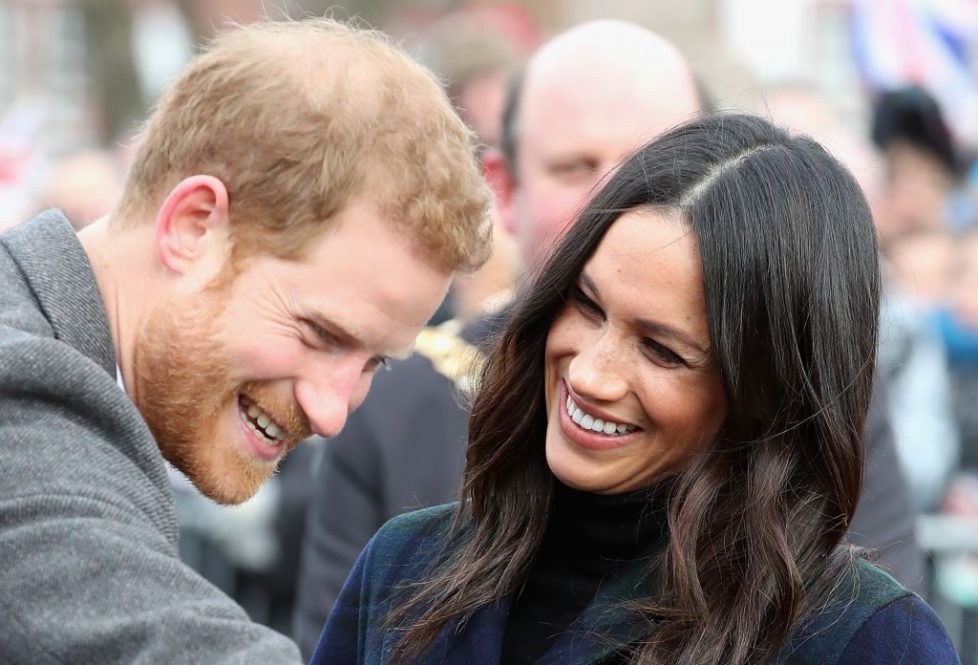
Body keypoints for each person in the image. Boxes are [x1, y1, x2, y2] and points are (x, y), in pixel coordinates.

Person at [294, 21, 924, 656]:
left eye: (662, 351)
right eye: (587, 305)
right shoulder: (407, 565)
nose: (591, 374)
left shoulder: (860, 636)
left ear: (760, 393)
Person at [0, 18, 490, 664]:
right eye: (320, 333)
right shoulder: (20, 378)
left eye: (374, 361)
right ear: (194, 225)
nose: (333, 410)